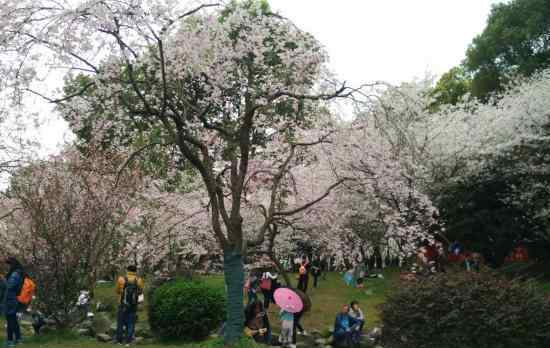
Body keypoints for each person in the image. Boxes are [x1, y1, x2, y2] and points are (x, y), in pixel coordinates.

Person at [115, 265, 145, 346]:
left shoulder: (121, 279)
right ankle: (128, 341)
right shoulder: (138, 280)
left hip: (122, 304)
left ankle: (119, 341)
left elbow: (117, 291)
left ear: (127, 270)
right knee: (131, 323)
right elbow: (141, 291)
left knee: (120, 323)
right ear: (135, 271)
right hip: (133, 305)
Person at [4, 257, 24, 347]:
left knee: (11, 320)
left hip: (10, 299)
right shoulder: (18, 273)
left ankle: (12, 341)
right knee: (12, 320)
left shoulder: (15, 274)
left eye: (8, 265)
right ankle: (16, 339)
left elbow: (10, 286)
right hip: (12, 299)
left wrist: (3, 281)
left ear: (12, 265)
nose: (7, 267)